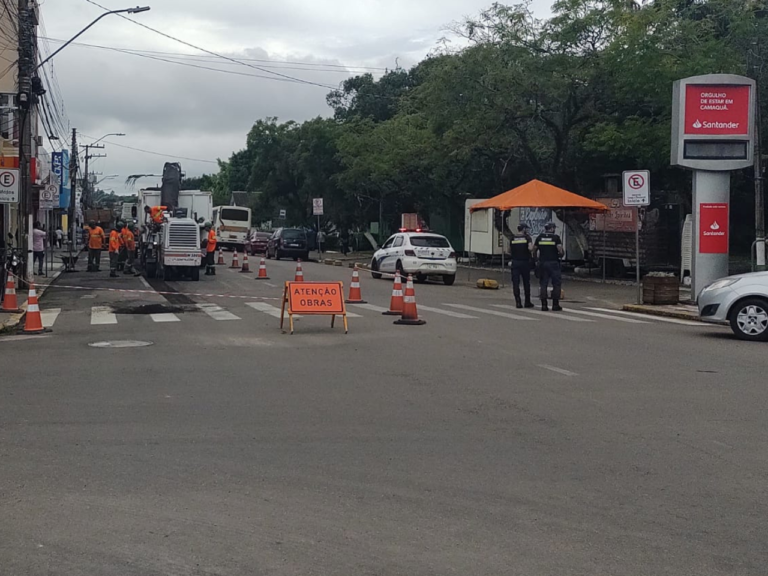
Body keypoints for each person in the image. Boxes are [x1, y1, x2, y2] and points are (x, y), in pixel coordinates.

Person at [533, 222, 564, 311]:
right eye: (554, 228)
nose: (554, 230)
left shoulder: (539, 237)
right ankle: (555, 305)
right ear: (551, 229)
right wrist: (561, 254)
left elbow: (534, 250)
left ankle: (544, 305)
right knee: (556, 284)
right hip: (553, 263)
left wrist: (536, 260)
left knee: (543, 284)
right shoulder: (556, 238)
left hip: (543, 263)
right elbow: (560, 250)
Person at [509, 223, 535, 309]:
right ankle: (527, 302)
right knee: (526, 282)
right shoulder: (527, 238)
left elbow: (508, 250)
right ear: (523, 229)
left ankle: (518, 302)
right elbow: (530, 248)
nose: (527, 230)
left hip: (515, 262)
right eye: (526, 229)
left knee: (516, 283)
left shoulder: (512, 238)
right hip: (525, 262)